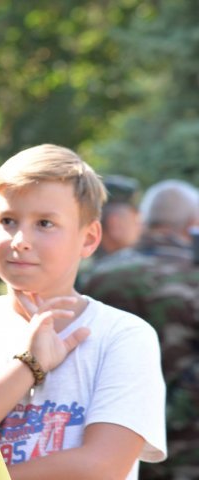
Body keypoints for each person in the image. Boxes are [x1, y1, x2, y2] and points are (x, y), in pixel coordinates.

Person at [0, 144, 166, 479]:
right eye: (7, 220)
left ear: (89, 239)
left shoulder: (124, 336)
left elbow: (102, 466)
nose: (20, 240)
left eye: (44, 223)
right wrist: (30, 365)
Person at [81, 179, 199, 480]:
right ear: (193, 223)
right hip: (188, 450)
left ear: (144, 222)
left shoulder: (98, 276)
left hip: (112, 444)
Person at [76, 174, 142, 288]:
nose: (140, 227)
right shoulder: (131, 272)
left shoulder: (75, 268)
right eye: (135, 219)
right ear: (115, 224)